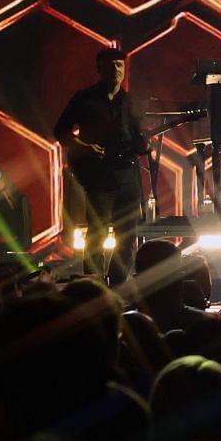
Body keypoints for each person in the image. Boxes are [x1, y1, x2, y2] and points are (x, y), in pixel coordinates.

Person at [54, 48, 146, 283]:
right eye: (110, 65)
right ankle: (93, 287)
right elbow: (61, 131)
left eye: (119, 65)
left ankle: (117, 287)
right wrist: (84, 146)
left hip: (127, 175)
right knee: (97, 234)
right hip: (99, 176)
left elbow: (140, 136)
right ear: (99, 69)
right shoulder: (84, 98)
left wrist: (145, 144)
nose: (116, 70)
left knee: (127, 237)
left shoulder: (131, 101)